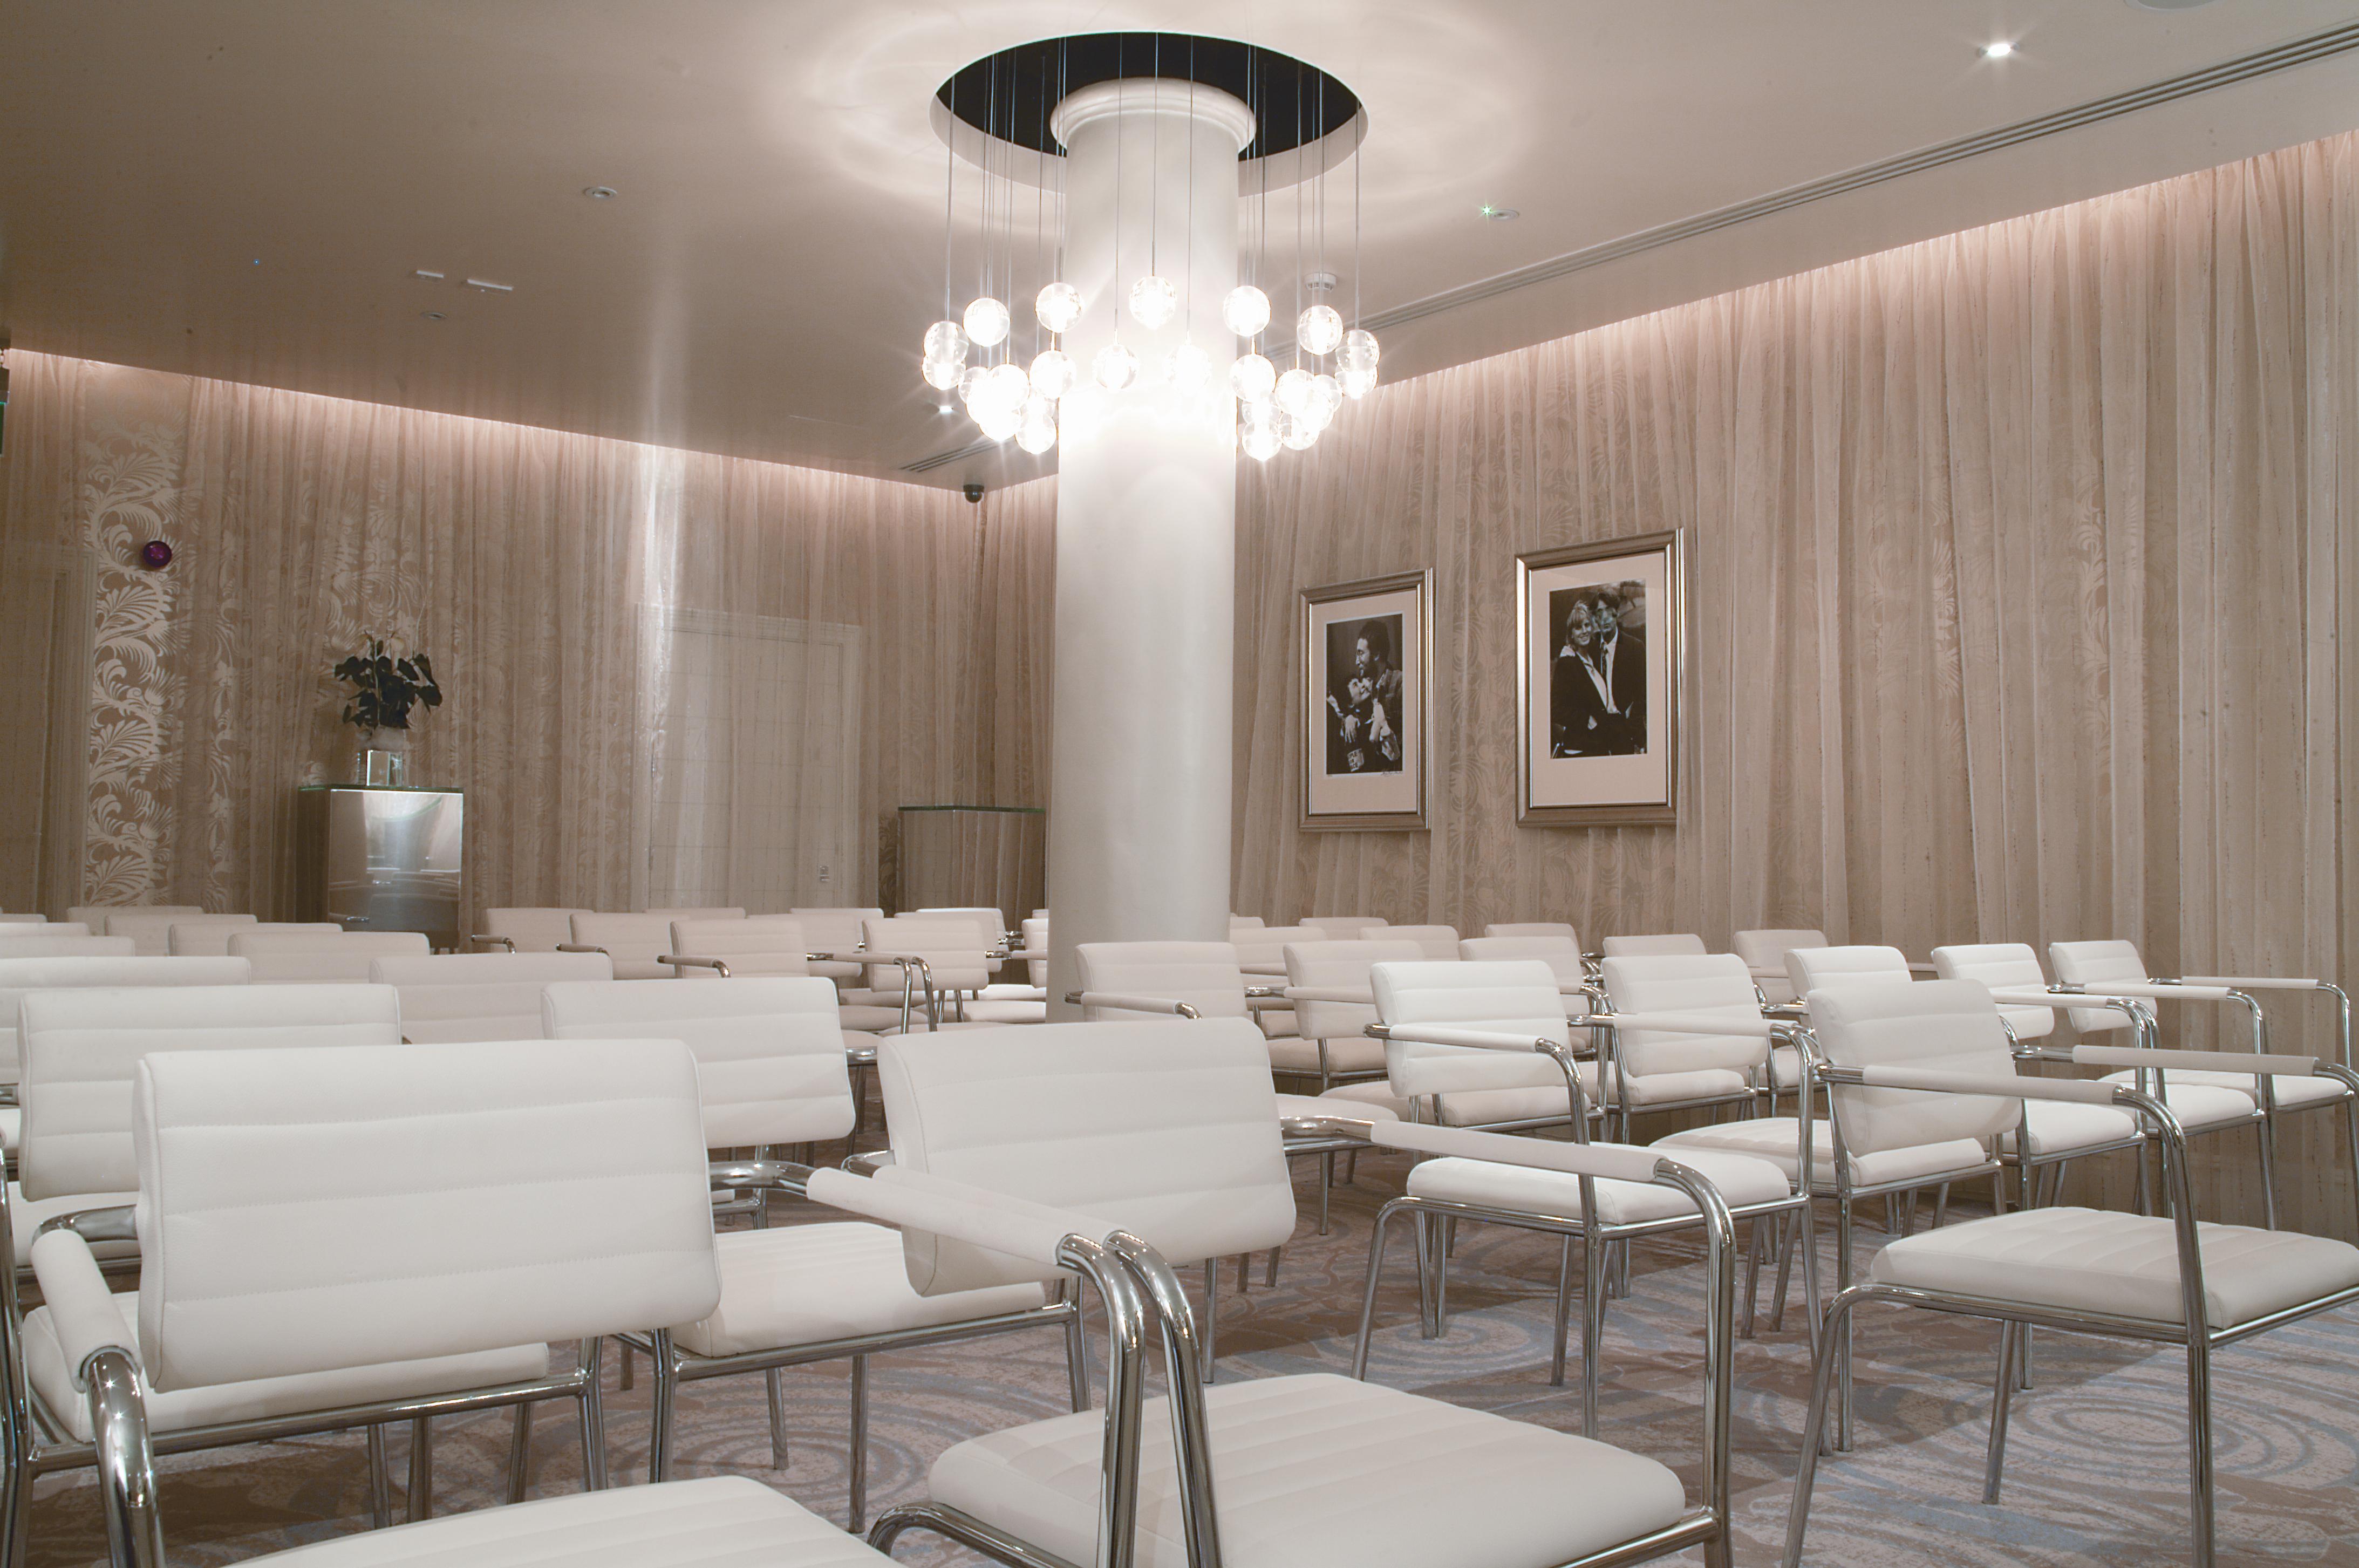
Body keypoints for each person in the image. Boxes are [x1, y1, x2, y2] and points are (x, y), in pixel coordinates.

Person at [1327, 622, 1403, 773]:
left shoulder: (1400, 683)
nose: (1356, 661)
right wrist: (1348, 717)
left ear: (1376, 655)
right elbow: (1347, 709)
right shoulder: (1370, 688)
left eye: (1361, 654)